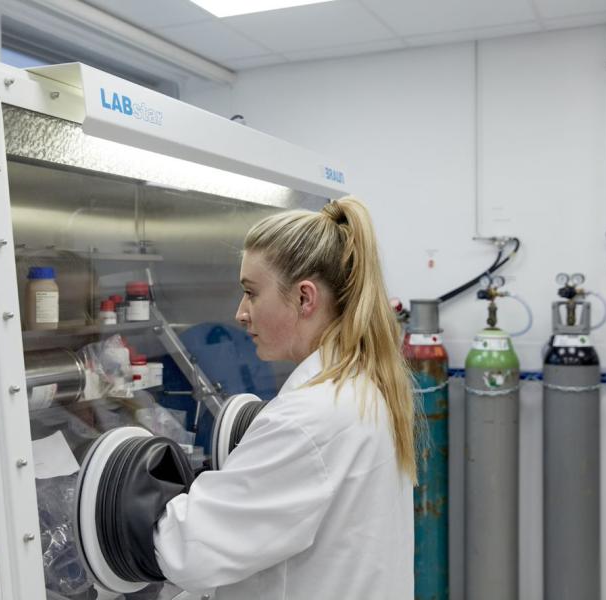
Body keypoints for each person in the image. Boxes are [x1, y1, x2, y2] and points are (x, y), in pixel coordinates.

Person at [153, 197, 417, 599]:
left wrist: (141, 497)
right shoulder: (364, 387)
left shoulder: (308, 420)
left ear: (304, 298)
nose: (241, 313)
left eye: (251, 293)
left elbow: (189, 550)